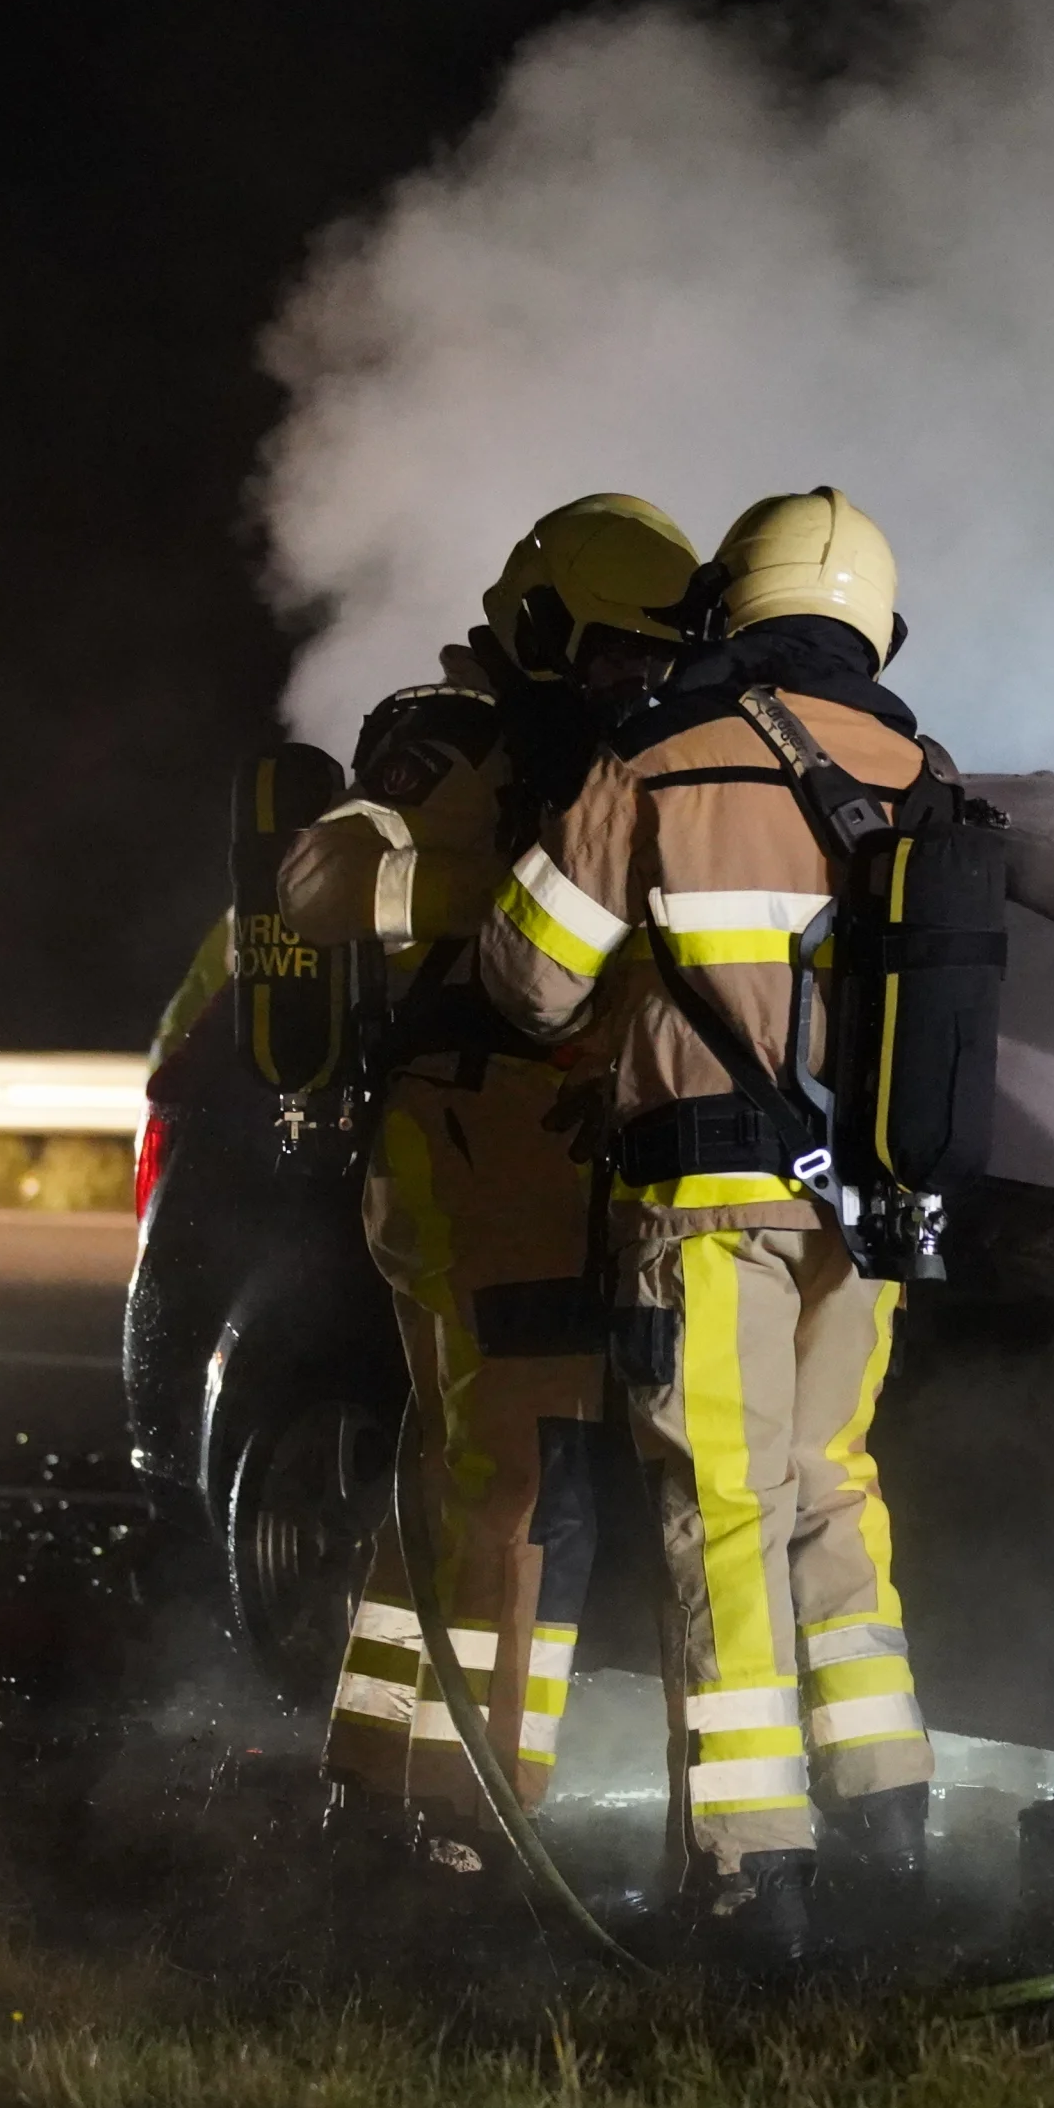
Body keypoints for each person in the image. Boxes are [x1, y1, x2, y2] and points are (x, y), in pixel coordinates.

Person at [478, 486, 938, 1962]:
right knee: (833, 1493)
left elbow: (530, 984)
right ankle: (890, 1822)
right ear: (872, 622)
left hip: (704, 1208)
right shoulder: (921, 771)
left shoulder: (657, 763)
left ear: (729, 608)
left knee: (721, 1512)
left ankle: (753, 1878)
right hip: (866, 1217)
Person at [279, 492, 700, 1846]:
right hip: (477, 1154)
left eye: (657, 657)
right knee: (528, 1491)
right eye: (614, 652)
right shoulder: (460, 743)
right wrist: (504, 897)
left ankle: (379, 1774)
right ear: (539, 628)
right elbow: (319, 879)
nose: (638, 681)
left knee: (462, 1478)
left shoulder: (626, 769)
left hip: (528, 1165)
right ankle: (480, 1816)